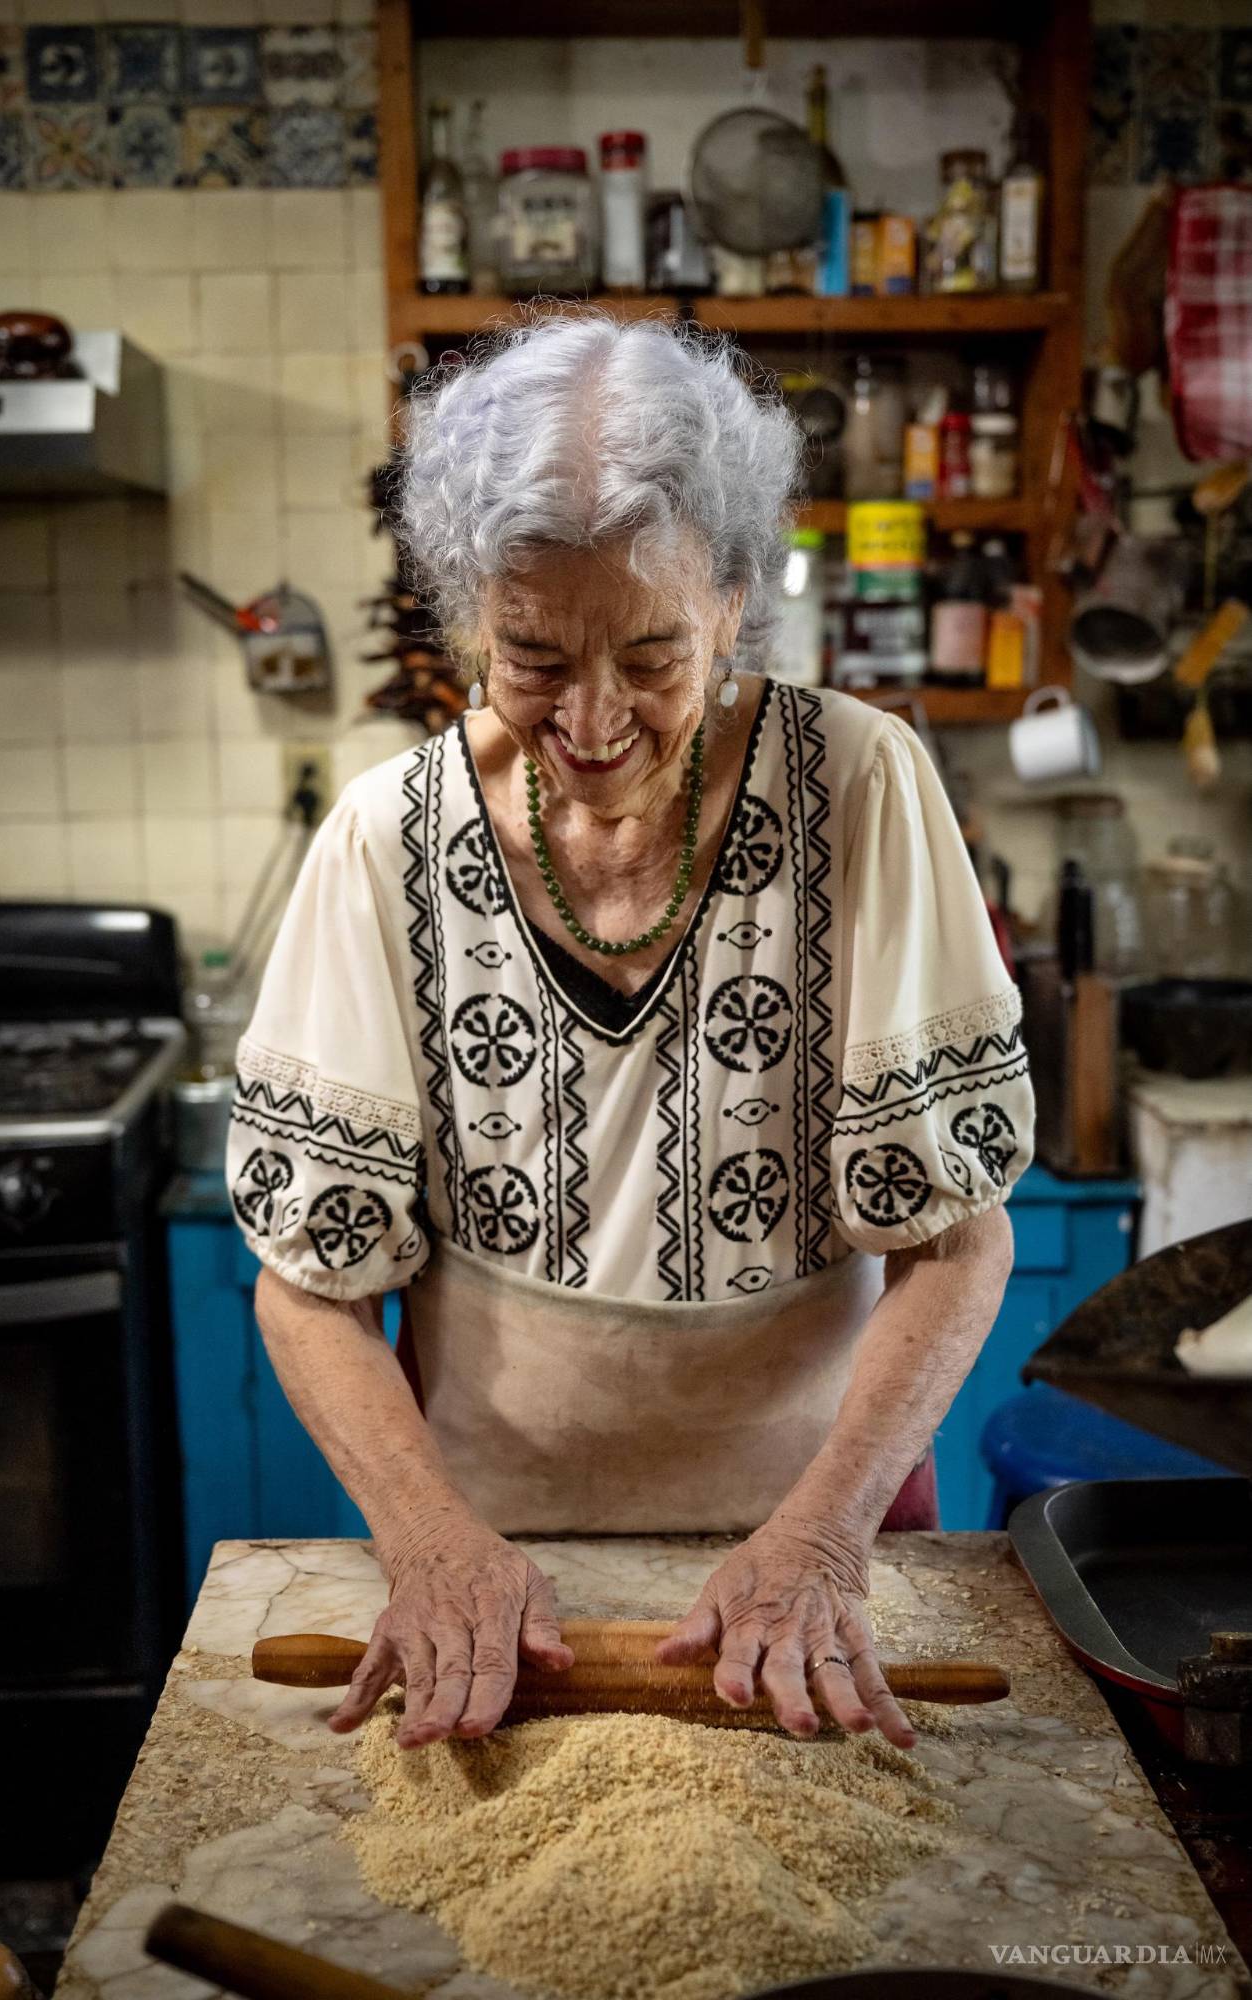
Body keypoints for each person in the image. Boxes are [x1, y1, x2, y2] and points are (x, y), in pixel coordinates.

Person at [226, 313, 1033, 1756]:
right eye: (532, 657)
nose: (592, 720)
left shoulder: (860, 786)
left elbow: (957, 1240)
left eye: (652, 654)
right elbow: (307, 1289)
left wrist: (822, 1540)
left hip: (819, 1544)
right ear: (470, 613)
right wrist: (429, 1543)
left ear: (731, 600)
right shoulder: (383, 839)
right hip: (492, 1569)